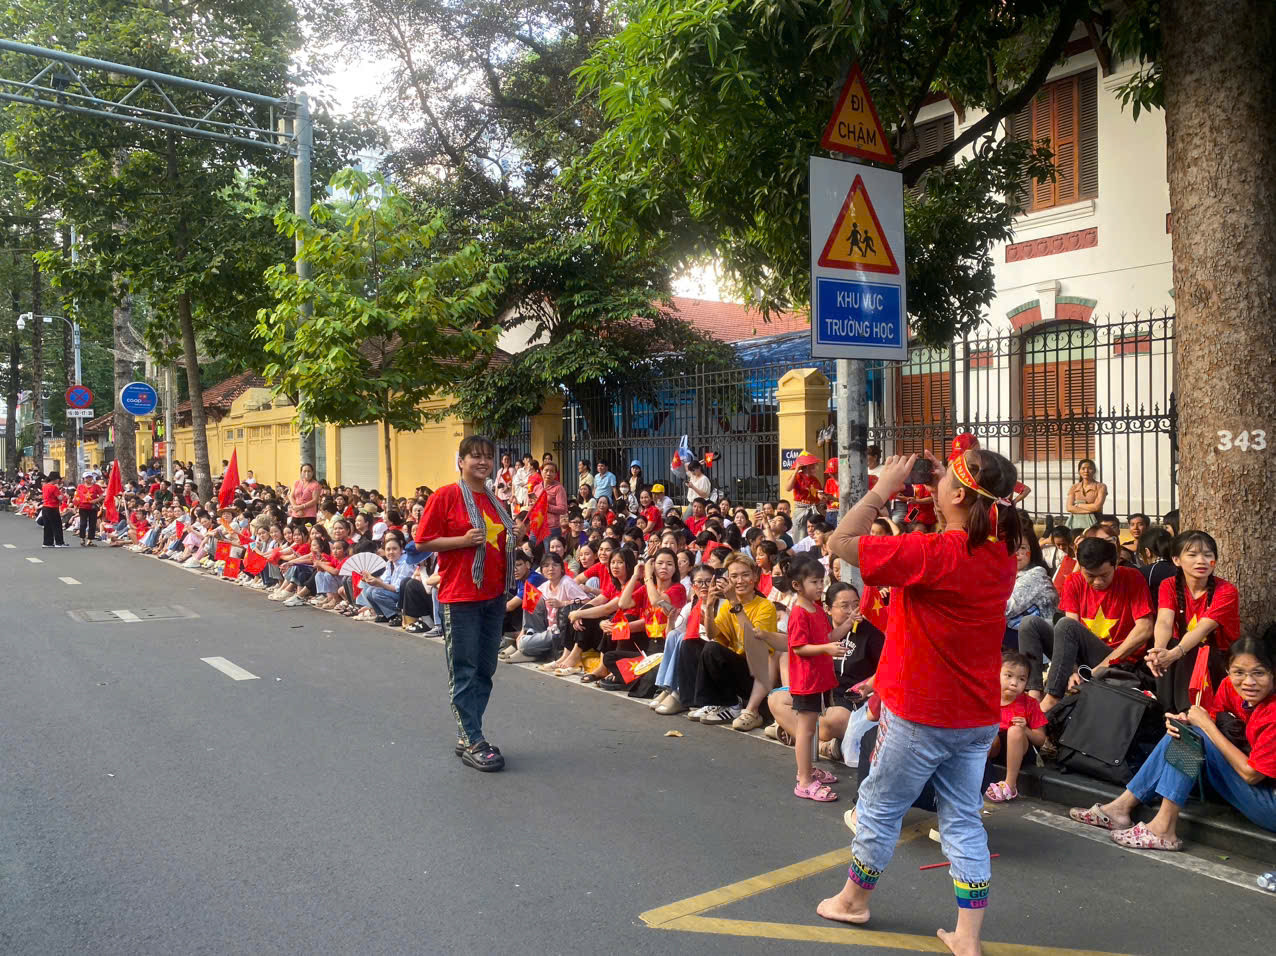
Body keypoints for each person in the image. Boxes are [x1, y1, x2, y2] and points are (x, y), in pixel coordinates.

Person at [819, 447, 1020, 956]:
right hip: (975, 716)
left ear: (958, 495)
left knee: (880, 808)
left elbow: (840, 541)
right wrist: (939, 486)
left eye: (946, 478)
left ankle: (852, 900)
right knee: (961, 819)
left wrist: (884, 486)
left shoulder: (931, 554)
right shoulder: (999, 552)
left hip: (922, 713)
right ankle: (968, 938)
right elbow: (959, 519)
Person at [1070, 633, 1276, 845]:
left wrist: (1204, 725)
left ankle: (1163, 829)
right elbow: (1210, 725)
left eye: (1258, 673)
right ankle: (1120, 808)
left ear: (1273, 674)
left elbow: (1251, 774)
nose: (1248, 682)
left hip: (1269, 802)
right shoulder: (1229, 687)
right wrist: (1186, 721)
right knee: (1183, 733)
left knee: (1195, 737)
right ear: (1228, 671)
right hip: (1244, 781)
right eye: (1239, 672)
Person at [415, 436, 520, 773]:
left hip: (493, 595)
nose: (482, 462)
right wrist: (461, 541)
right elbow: (422, 541)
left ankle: (468, 733)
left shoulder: (495, 499)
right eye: (475, 456)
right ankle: (474, 739)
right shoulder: (446, 496)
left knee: (485, 669)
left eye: (488, 457)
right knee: (464, 670)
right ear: (460, 461)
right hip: (460, 595)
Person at [1019, 537, 1154, 711]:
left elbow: (1145, 628)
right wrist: (1073, 670)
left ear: (1115, 565)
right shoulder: (1073, 581)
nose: (1097, 582)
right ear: (1081, 567)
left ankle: (1052, 697)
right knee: (1029, 624)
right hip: (1080, 655)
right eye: (1090, 576)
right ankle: (1033, 695)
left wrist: (1104, 664)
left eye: (1104, 575)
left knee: (1065, 625)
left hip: (1117, 659)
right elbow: (1070, 631)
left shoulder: (1132, 577)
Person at [1146, 531, 1241, 712]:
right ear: (1176, 560)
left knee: (1192, 649)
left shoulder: (1226, 591)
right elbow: (1164, 621)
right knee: (1170, 647)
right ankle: (1166, 712)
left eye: (1208, 555)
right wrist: (1159, 651)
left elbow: (1202, 630)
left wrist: (1174, 654)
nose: (1202, 561)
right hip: (1179, 657)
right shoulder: (1169, 584)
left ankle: (1186, 713)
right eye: (1192, 555)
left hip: (1217, 658)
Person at [788, 558, 847, 802]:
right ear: (797, 585)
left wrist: (849, 623)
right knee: (806, 729)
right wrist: (826, 649)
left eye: (821, 581)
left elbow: (830, 636)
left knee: (811, 728)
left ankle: (808, 771)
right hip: (805, 681)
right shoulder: (799, 613)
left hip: (817, 679)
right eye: (814, 582)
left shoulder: (818, 610)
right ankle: (804, 779)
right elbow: (799, 648)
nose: (820, 586)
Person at [985, 651, 1048, 803]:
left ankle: (1010, 785)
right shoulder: (987, 698)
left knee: (1015, 730)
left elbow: (1040, 740)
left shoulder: (1030, 703)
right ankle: (972, 776)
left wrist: (1025, 729)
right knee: (987, 732)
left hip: (1021, 749)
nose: (1014, 683)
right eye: (1008, 676)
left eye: (1021, 679)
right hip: (995, 749)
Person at [1004, 520, 1058, 650]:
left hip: (1035, 650)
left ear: (1032, 550)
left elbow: (1006, 609)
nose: (1017, 553)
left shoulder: (1036, 575)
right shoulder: (1007, 575)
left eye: (1022, 548)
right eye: (1011, 547)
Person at [1065, 458, 1107, 530]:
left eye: (1089, 468)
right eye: (1083, 468)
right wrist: (1090, 510)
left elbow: (1097, 507)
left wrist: (1078, 505)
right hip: (1076, 524)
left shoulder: (1101, 486)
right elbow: (1069, 508)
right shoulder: (1074, 487)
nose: (1086, 471)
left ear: (1094, 471)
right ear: (1079, 471)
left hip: (1095, 523)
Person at [73, 474, 103, 547]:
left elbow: (102, 496)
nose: (89, 479)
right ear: (84, 479)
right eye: (87, 477)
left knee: (92, 524)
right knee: (83, 523)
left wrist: (96, 500)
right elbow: (76, 497)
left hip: (92, 507)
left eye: (90, 477)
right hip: (83, 507)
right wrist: (75, 506)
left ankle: (90, 540)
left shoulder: (96, 486)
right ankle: (82, 538)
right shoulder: (80, 486)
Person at [39, 471, 67, 548]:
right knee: (57, 525)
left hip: (45, 507)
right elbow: (60, 498)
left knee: (47, 526)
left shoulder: (45, 486)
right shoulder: (54, 487)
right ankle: (59, 542)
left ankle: (47, 542)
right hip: (53, 508)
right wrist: (63, 495)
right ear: (56, 479)